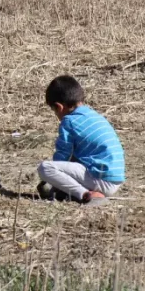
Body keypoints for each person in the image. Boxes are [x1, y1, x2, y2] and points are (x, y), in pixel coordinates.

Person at [37, 75, 125, 204]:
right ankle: (73, 192)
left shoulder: (69, 121)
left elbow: (62, 156)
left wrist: (51, 181)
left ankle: (86, 194)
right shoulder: (94, 115)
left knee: (45, 168)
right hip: (114, 179)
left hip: (102, 180)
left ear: (59, 107)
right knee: (75, 159)